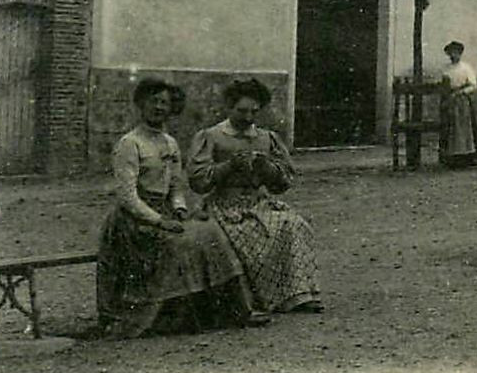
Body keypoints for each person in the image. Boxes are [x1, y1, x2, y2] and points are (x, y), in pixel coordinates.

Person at [96, 78, 264, 338]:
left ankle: (236, 310)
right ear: (141, 104)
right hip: (133, 223)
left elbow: (176, 188)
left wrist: (181, 210)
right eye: (154, 101)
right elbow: (127, 197)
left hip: (165, 212)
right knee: (180, 243)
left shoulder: (170, 143)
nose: (160, 107)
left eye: (165, 102)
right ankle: (169, 313)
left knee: (211, 233)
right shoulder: (130, 144)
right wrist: (160, 221)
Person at [188, 80, 323, 314]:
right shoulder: (211, 136)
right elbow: (198, 180)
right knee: (246, 236)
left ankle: (296, 294)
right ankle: (255, 298)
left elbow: (283, 182)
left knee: (294, 225)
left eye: (254, 111)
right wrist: (228, 166)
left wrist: (266, 167)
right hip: (224, 205)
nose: (248, 117)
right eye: (242, 111)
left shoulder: (266, 138)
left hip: (259, 203)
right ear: (229, 108)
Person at [439, 40, 477, 167]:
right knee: (450, 128)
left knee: (464, 128)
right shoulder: (446, 69)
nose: (454, 55)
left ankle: (467, 156)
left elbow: (473, 85)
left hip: (462, 101)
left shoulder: (466, 68)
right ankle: (451, 157)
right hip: (449, 100)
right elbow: (443, 84)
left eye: (456, 52)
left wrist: (461, 92)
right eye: (451, 53)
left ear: (460, 53)